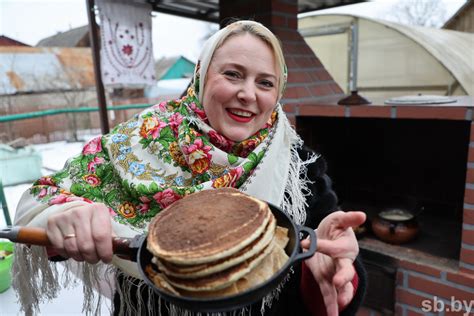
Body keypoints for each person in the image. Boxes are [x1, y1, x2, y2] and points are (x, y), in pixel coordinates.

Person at [13, 20, 366, 316]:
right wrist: (72, 215)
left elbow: (332, 274)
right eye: (233, 74)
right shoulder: (142, 141)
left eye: (265, 82)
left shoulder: (297, 165)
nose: (248, 93)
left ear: (278, 93)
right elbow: (46, 196)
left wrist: (328, 274)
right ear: (201, 76)